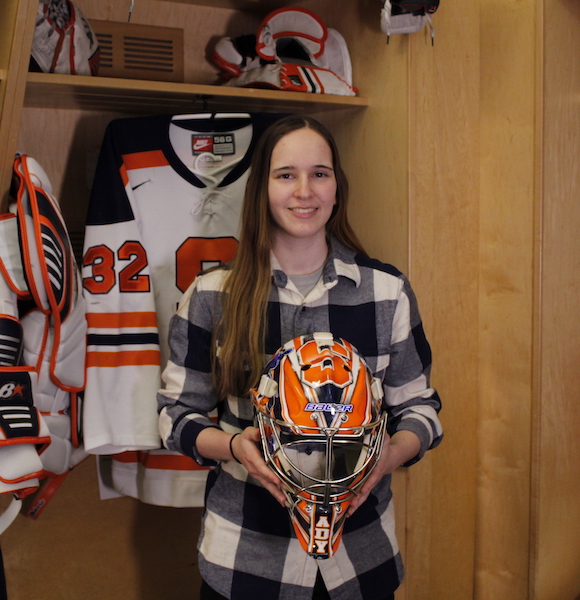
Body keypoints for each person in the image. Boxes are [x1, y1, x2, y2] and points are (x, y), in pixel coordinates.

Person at [157, 115, 443, 600]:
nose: (304, 191)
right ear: (262, 188)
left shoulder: (386, 292)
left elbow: (420, 409)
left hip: (360, 563)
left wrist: (389, 455)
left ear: (337, 187)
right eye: (286, 174)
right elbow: (174, 416)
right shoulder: (211, 296)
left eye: (320, 173)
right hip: (245, 561)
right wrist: (234, 448)